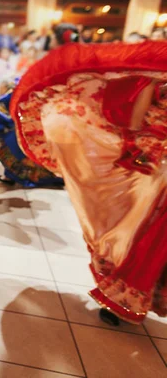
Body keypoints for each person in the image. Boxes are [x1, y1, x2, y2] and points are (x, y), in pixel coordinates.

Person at [12, 28, 167, 326]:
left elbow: (136, 120)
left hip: (155, 168)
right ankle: (127, 294)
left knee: (136, 231)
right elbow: (136, 121)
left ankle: (127, 294)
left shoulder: (154, 72)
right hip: (153, 167)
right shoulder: (155, 72)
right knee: (139, 232)